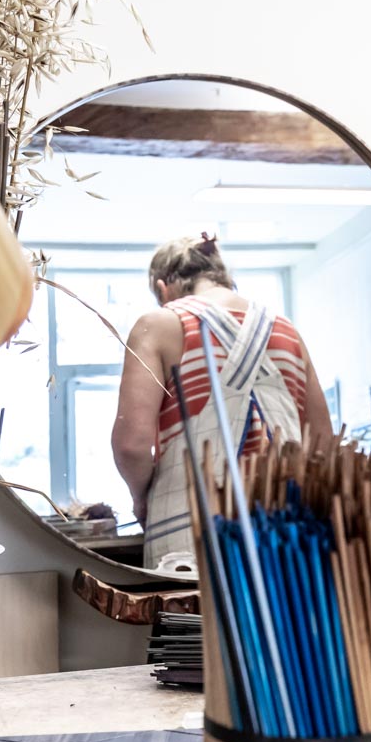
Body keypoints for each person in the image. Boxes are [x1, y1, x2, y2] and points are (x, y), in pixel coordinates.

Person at [113, 233, 331, 567]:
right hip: (286, 537)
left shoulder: (159, 325)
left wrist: (142, 497)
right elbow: (323, 448)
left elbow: (132, 446)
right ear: (224, 277)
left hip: (192, 536)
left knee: (195, 622)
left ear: (162, 289)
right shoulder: (288, 333)